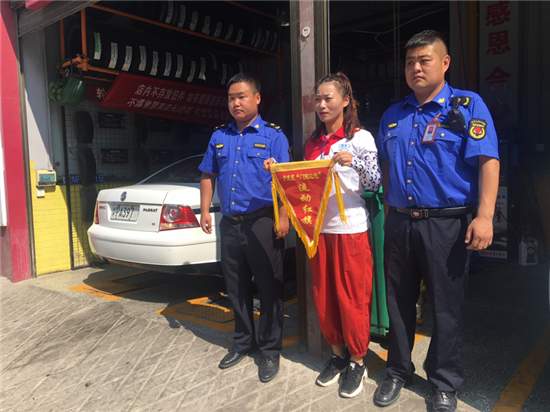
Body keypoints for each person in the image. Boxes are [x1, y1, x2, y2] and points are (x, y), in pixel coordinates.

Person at [373, 30, 500, 412]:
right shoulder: (393, 115)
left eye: (424, 60)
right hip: (400, 224)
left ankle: (444, 382)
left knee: (446, 306)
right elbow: (385, 167)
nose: (416, 68)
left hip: (446, 225)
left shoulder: (467, 106)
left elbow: (487, 160)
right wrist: (389, 213)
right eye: (410, 62)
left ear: (444, 63)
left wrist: (485, 215)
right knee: (397, 302)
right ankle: (398, 369)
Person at [265, 72, 381, 398]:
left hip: (351, 230)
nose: (322, 105)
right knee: (325, 296)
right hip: (318, 233)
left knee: (352, 298)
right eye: (318, 99)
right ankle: (338, 355)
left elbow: (375, 181)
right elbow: (303, 185)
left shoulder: (361, 138)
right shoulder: (313, 144)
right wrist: (278, 170)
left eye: (328, 98)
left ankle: (358, 360)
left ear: (346, 101)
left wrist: (354, 162)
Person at [199, 73, 290, 383]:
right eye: (231, 98)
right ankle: (242, 342)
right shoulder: (219, 136)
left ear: (257, 98)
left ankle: (270, 350)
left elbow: (284, 179)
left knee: (269, 287)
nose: (236, 103)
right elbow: (208, 174)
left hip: (263, 222)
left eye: (242, 96)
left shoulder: (273, 136)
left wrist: (283, 216)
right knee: (235, 288)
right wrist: (205, 210)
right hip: (230, 224)